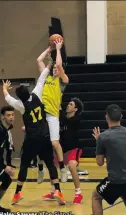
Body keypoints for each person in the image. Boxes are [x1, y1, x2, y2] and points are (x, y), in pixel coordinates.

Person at [3, 66, 66, 206]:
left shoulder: (21, 105)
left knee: (24, 165)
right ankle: (58, 190)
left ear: (20, 97)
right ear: (28, 91)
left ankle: (18, 193)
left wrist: (4, 89)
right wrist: (49, 65)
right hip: (44, 137)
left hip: (32, 139)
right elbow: (42, 77)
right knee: (50, 164)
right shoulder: (37, 94)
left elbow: (8, 99)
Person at [86, 104, 126, 215]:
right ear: (121, 118)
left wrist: (99, 142)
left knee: (95, 196)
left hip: (115, 180)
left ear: (106, 117)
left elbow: (99, 162)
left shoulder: (103, 137)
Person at [37, 40, 69, 183]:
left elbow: (60, 65)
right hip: (41, 115)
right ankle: (40, 169)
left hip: (53, 115)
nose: (56, 69)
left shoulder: (62, 81)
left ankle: (63, 169)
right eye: (54, 68)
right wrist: (49, 48)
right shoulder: (46, 78)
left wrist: (58, 49)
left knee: (55, 143)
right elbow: (39, 60)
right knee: (38, 142)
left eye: (58, 68)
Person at [43, 98, 84, 204]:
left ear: (75, 109)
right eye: (68, 103)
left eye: (71, 104)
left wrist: (58, 108)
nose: (68, 105)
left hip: (73, 149)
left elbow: (66, 121)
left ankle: (78, 193)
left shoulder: (76, 119)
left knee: (71, 166)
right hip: (62, 150)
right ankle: (54, 191)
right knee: (52, 167)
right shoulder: (61, 120)